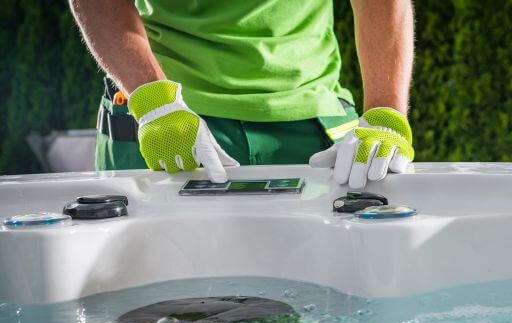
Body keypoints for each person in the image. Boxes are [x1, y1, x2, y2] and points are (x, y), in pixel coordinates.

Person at [70, 0, 415, 188]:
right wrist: (155, 103)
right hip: (171, 121)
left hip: (315, 126)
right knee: (148, 303)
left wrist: (386, 115)